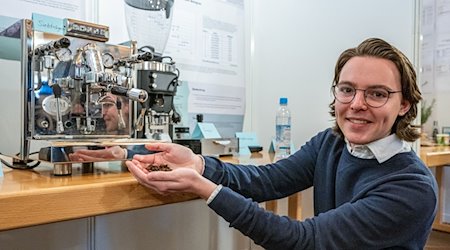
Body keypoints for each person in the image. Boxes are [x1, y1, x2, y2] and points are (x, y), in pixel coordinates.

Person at [124, 38, 438, 249]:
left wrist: (205, 188)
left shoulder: (411, 187)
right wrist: (199, 164)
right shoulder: (331, 144)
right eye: (347, 89)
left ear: (406, 104)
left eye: (377, 93)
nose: (356, 104)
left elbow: (305, 240)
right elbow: (266, 181)